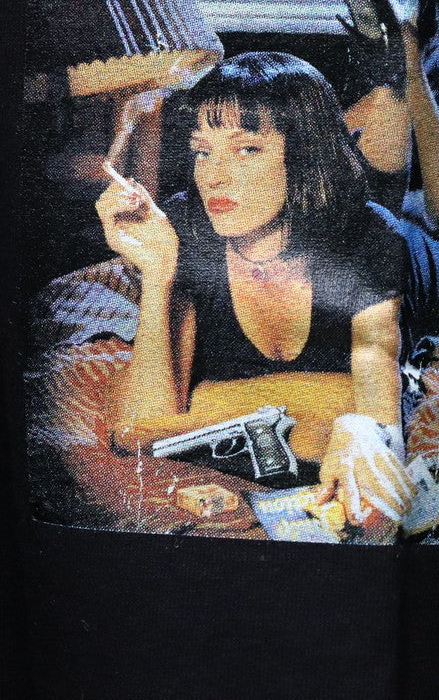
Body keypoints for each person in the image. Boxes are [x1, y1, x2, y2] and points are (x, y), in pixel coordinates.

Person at [95, 51, 419, 527]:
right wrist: (159, 270)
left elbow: (378, 420)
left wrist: (208, 399)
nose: (213, 176)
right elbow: (138, 428)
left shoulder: (370, 240)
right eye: (203, 151)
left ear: (305, 154)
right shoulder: (187, 228)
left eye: (246, 149)